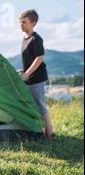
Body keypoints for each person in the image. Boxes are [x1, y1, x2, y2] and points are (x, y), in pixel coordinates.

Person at [19, 9, 54, 138]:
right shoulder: (24, 39)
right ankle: (37, 129)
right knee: (31, 104)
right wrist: (23, 72)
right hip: (28, 78)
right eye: (20, 22)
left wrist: (27, 73)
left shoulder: (36, 39)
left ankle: (50, 132)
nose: (21, 24)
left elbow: (39, 58)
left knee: (39, 104)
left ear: (33, 23)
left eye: (24, 22)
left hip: (37, 78)